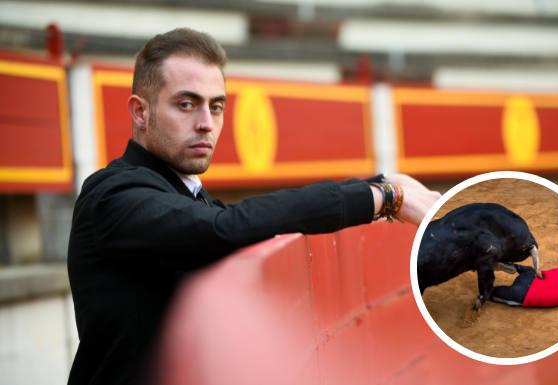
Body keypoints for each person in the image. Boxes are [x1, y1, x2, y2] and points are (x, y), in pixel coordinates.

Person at [67, 28, 440, 385]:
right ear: (139, 112)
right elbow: (223, 228)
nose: (205, 124)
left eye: (216, 107)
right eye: (186, 104)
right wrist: (384, 197)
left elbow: (236, 219)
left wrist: (378, 185)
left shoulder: (180, 192)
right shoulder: (113, 195)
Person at [491, 264, 558, 307]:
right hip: (523, 295)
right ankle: (488, 293)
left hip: (528, 278)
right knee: (491, 292)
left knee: (530, 270)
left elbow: (542, 274)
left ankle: (514, 267)